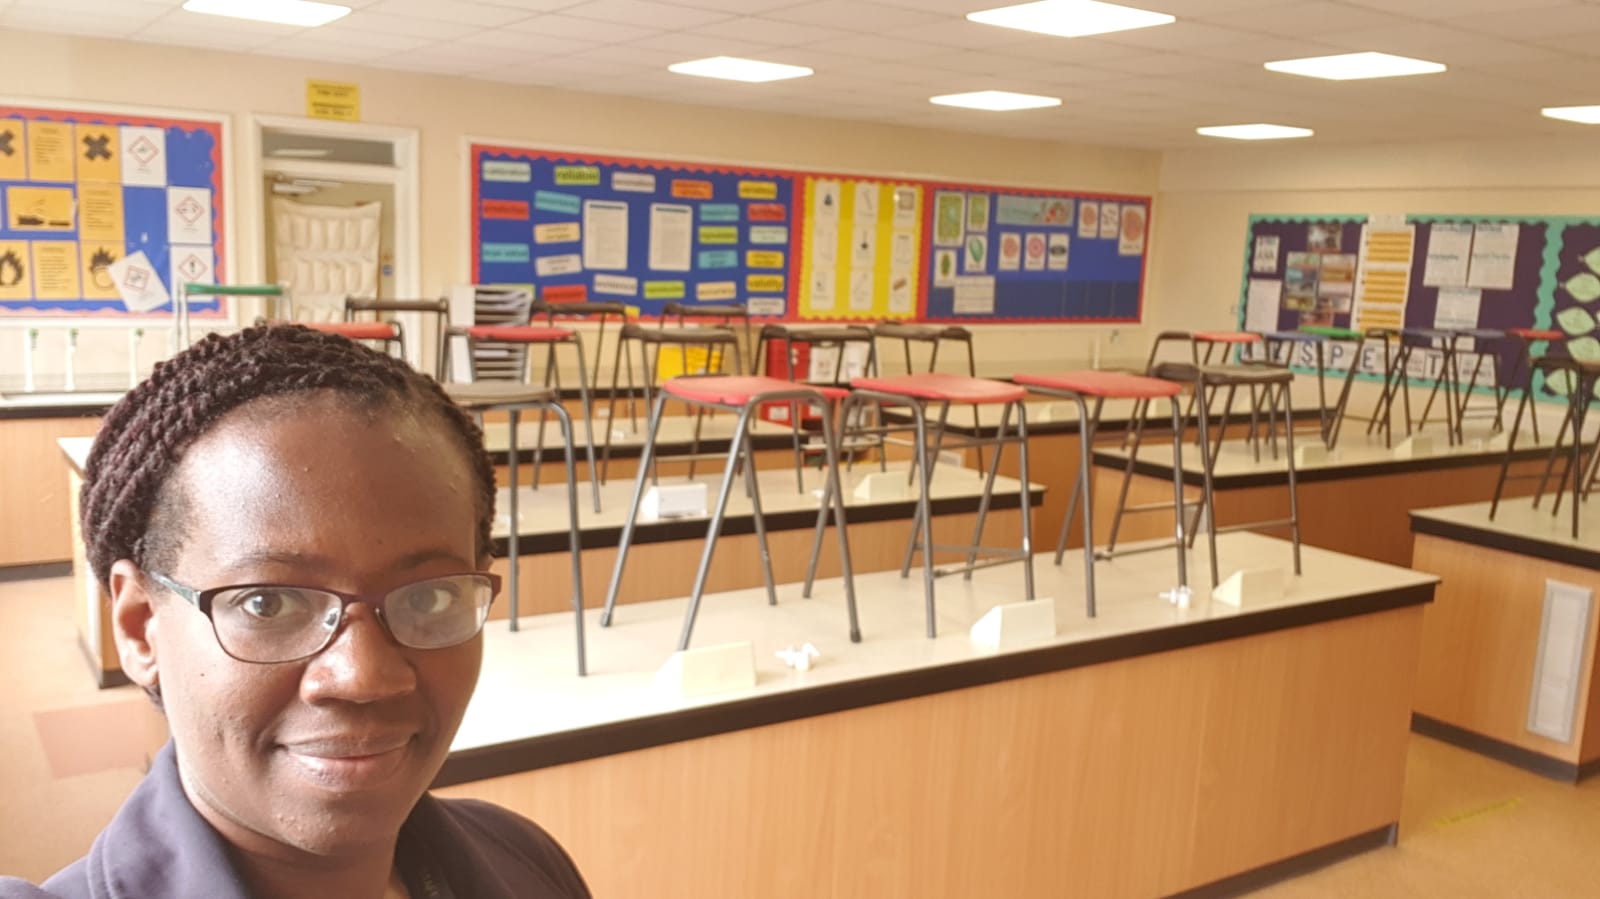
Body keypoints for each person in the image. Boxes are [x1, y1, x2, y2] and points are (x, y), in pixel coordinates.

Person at [0, 326, 591, 899]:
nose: (363, 677)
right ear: (141, 628)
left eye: (429, 596)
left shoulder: (526, 860)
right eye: (268, 603)